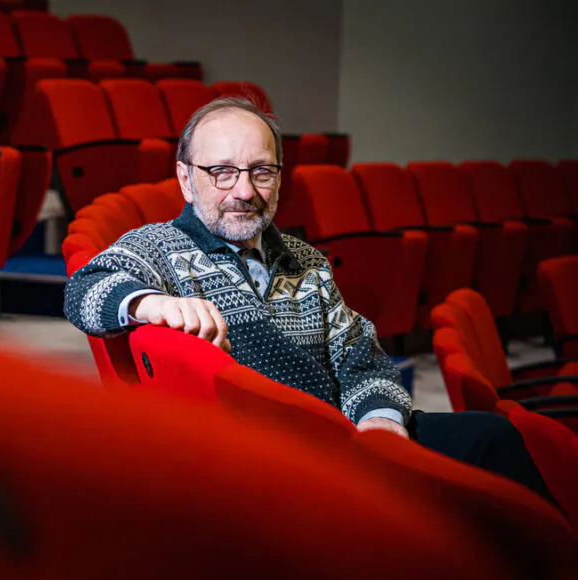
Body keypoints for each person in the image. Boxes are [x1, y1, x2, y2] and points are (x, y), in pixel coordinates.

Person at [64, 96, 557, 505]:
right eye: (222, 172)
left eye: (261, 171)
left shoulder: (305, 260)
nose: (244, 191)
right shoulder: (158, 246)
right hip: (270, 461)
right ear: (186, 179)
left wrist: (379, 422)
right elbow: (84, 289)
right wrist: (151, 303)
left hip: (345, 435)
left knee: (491, 438)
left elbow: (361, 358)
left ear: (279, 179)